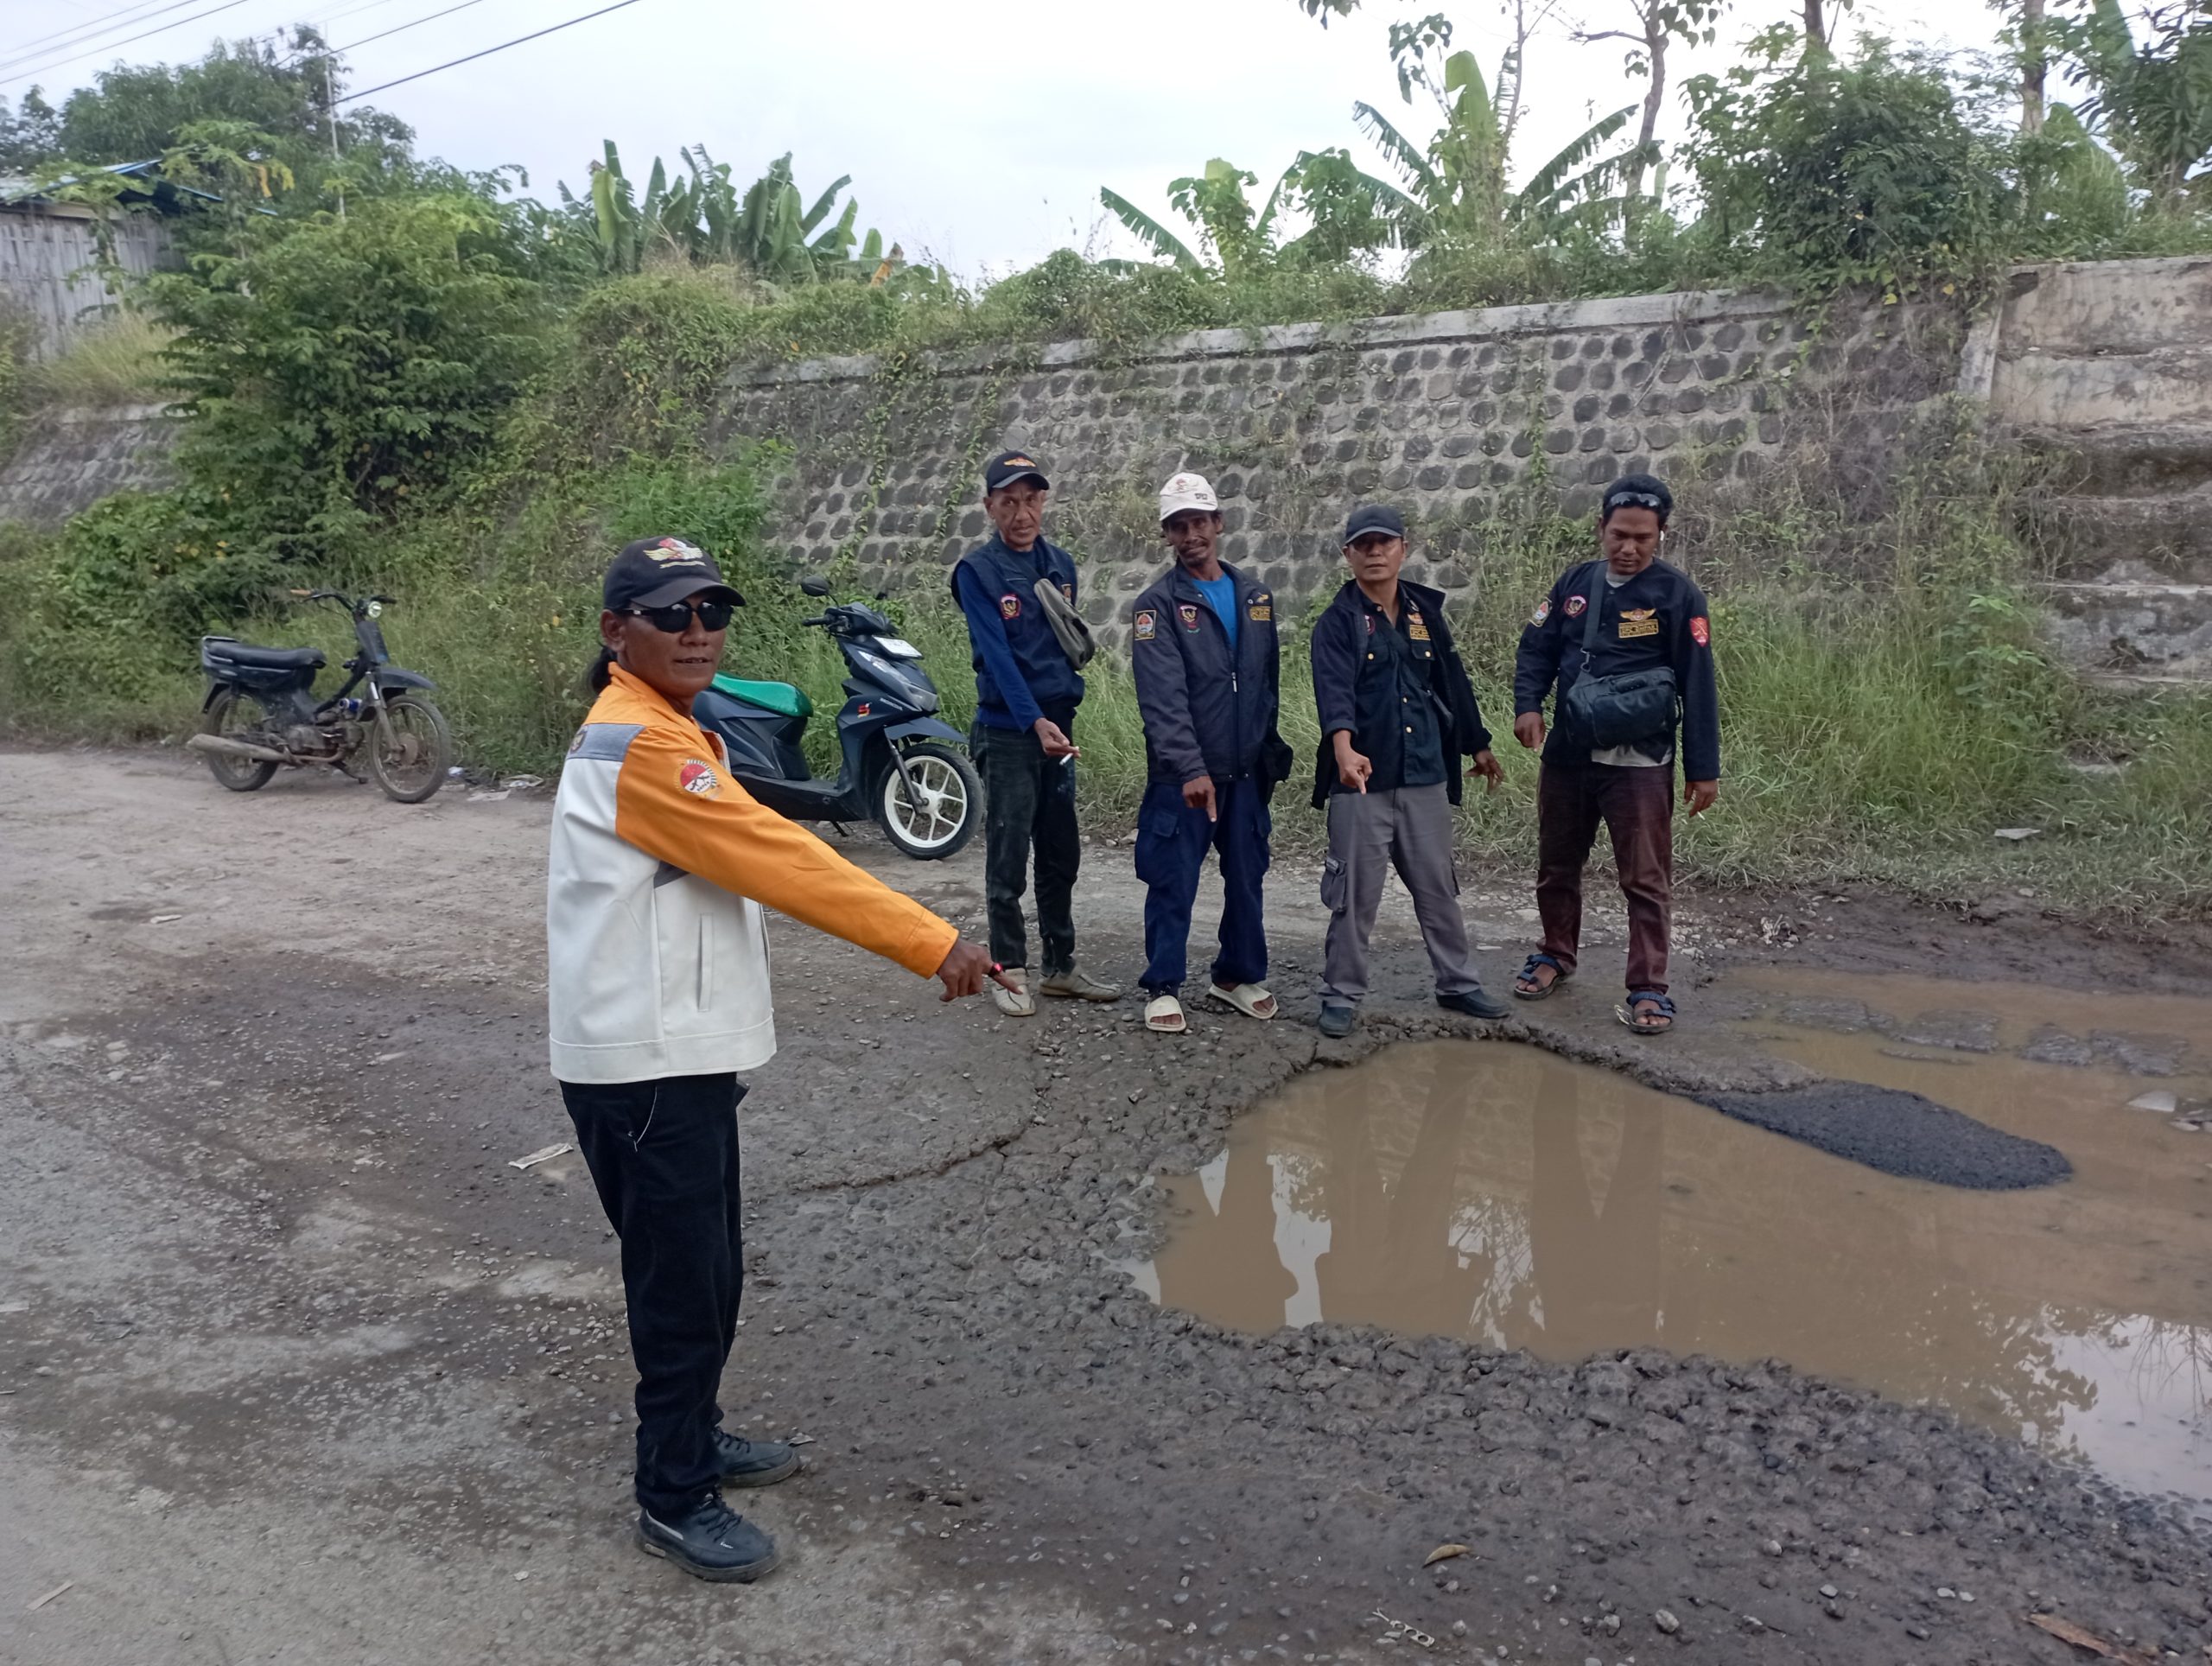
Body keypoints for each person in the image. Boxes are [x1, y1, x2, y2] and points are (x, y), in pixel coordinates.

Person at [547, 535, 1007, 1584]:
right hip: (644, 1066)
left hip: (676, 1054)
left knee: (707, 1270)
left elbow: (755, 824)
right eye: (673, 614)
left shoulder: (667, 727)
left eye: (712, 608)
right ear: (618, 632)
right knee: (679, 1285)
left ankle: (696, 1436)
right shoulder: (643, 747)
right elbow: (780, 857)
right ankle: (671, 1492)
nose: (699, 628)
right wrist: (929, 939)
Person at [1509, 474, 1719, 1034]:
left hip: (1641, 764)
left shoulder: (1679, 596)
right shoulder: (1574, 584)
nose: (1629, 548)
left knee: (1645, 880)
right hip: (1570, 757)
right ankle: (1555, 953)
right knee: (1556, 864)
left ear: (1661, 536)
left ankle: (1648, 987)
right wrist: (1527, 706)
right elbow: (1536, 647)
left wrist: (1703, 768)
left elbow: (1699, 682)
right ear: (1601, 528)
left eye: (1642, 539)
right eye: (1619, 534)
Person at [1308, 504, 1510, 1040]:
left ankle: (1458, 983)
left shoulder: (1424, 611)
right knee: (1355, 897)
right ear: (1348, 554)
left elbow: (1451, 680)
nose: (1375, 553)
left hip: (1424, 773)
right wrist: (1345, 751)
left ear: (1404, 547)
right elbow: (1334, 693)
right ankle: (1341, 994)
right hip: (1362, 780)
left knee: (1438, 887)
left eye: (1385, 543)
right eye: (1363, 545)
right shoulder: (1337, 622)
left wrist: (1478, 745)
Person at [950, 449, 1121, 1016]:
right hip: (1009, 732)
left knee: (1059, 850)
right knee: (1007, 852)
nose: (1021, 513)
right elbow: (998, 658)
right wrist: (1033, 720)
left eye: (1031, 499)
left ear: (1043, 501)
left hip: (1059, 731)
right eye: (1009, 502)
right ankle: (1009, 968)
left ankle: (1061, 967)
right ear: (990, 506)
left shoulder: (1060, 566)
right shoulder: (977, 573)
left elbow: (1065, 650)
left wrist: (1056, 721)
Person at [1128, 471, 1290, 1034]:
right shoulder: (1157, 608)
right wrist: (1190, 767)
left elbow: (1267, 683)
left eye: (1199, 521)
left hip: (1245, 773)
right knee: (1174, 878)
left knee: (1248, 874)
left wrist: (1268, 751)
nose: (1191, 534)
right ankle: (1162, 985)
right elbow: (1162, 698)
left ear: (1218, 523)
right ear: (1168, 535)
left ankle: (1236, 976)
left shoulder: (1255, 597)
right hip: (1184, 779)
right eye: (1179, 526)